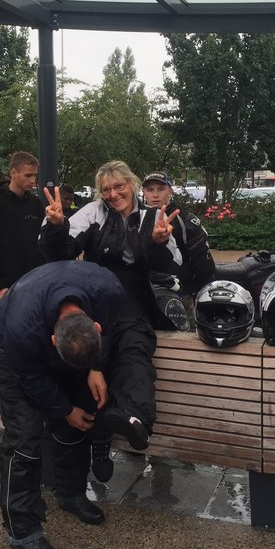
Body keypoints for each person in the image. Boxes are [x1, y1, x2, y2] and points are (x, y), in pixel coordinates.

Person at [40, 160, 183, 474]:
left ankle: (135, 420)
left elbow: (172, 264)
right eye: (106, 189)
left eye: (119, 186)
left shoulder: (151, 217)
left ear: (131, 185)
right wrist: (55, 228)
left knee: (135, 349)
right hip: (96, 294)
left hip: (133, 298)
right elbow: (60, 253)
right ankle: (100, 443)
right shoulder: (93, 213)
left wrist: (159, 243)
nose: (113, 193)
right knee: (94, 358)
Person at [0, 260, 127, 549]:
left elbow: (113, 328)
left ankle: (71, 493)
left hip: (59, 329)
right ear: (52, 342)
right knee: (24, 437)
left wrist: (97, 367)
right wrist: (63, 409)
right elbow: (32, 378)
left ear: (95, 326)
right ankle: (21, 531)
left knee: (82, 411)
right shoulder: (21, 331)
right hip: (10, 350)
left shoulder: (110, 290)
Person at [0, 151, 44, 310]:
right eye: (28, 175)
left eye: (35, 175)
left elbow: (41, 244)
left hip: (32, 283)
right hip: (3, 288)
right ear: (13, 173)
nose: (33, 180)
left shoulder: (35, 204)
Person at [141, 171, 215, 295]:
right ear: (143, 192)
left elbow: (204, 265)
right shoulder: (138, 217)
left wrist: (192, 292)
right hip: (147, 292)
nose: (155, 195)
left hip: (181, 293)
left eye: (161, 189)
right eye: (150, 190)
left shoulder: (185, 219)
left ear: (170, 191)